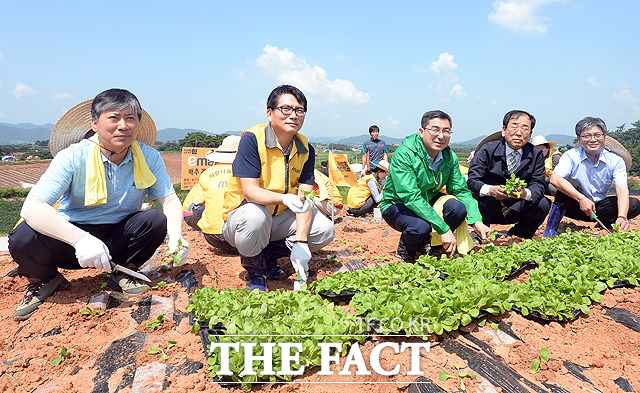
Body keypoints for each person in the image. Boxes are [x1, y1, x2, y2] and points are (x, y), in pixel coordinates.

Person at [8, 89, 188, 321]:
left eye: (130, 118)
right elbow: (32, 206)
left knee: (154, 219)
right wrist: (80, 240)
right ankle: (46, 279)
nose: (123, 125)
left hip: (118, 239)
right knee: (23, 236)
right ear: (95, 123)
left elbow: (170, 200)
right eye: (114, 118)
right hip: (71, 242)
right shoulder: (72, 157)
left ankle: (125, 270)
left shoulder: (148, 157)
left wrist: (176, 237)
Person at [221, 85, 335, 291]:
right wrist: (283, 199)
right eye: (286, 109)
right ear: (270, 113)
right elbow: (250, 191)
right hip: (243, 217)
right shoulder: (252, 140)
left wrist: (300, 241)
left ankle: (269, 257)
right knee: (255, 217)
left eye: (299, 111)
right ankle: (255, 271)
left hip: (280, 219)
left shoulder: (306, 149)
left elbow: (306, 195)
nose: (294, 115)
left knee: (324, 230)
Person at [380, 110, 491, 262]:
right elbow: (410, 197)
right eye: (435, 130)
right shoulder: (405, 154)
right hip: (397, 203)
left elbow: (460, 189)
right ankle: (406, 251)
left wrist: (476, 220)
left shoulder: (448, 156)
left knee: (458, 209)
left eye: (446, 131)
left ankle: (432, 247)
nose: (441, 136)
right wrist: (444, 229)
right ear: (421, 131)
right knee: (420, 227)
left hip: (429, 199)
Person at [545, 117, 640, 236]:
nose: (593, 139)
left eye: (597, 135)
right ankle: (551, 228)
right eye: (587, 136)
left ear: (604, 137)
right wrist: (581, 199)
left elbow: (622, 190)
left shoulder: (615, 160)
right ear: (579, 139)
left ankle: (606, 223)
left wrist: (622, 216)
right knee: (571, 183)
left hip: (598, 208)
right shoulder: (571, 156)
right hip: (574, 205)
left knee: (634, 204)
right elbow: (555, 179)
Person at [467, 110, 551, 239]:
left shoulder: (535, 153)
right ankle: (481, 234)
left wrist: (524, 193)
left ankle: (520, 234)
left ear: (530, 135)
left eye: (524, 128)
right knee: (483, 201)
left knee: (543, 204)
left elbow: (538, 183)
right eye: (514, 127)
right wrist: (490, 190)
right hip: (490, 206)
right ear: (504, 130)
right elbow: (473, 180)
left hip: (517, 206)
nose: (518, 133)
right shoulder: (488, 149)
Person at [182, 135, 240, 251]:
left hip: (213, 238)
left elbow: (192, 206)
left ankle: (216, 234)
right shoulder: (248, 173)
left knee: (206, 202)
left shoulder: (207, 173)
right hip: (241, 240)